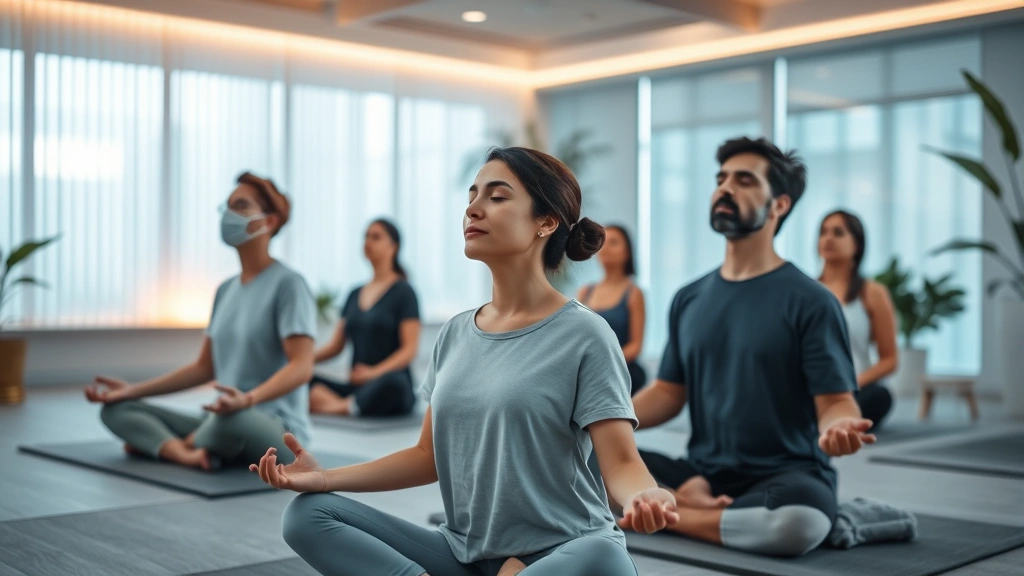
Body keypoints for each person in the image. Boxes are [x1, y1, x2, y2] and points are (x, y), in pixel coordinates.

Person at [250, 147, 678, 576]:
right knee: (307, 514)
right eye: (473, 195)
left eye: (497, 196)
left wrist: (647, 495)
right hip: (465, 555)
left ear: (545, 222)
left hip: (564, 553)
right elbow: (426, 456)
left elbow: (621, 462)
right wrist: (324, 478)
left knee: (603, 557)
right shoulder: (455, 333)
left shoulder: (585, 334)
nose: (473, 208)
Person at [631, 137, 874, 558]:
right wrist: (603, 422)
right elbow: (669, 393)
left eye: (744, 181)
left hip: (786, 475)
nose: (725, 188)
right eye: (721, 179)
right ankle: (691, 498)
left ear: (779, 205)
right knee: (581, 461)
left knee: (797, 523)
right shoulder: (689, 297)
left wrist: (840, 426)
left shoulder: (811, 300)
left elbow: (836, 401)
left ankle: (675, 513)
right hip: (701, 471)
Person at [85, 172, 316, 469]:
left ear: (269, 222)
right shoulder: (225, 290)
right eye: (228, 206)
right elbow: (203, 368)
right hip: (219, 417)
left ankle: (168, 444)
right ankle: (187, 452)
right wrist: (130, 390)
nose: (229, 214)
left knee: (232, 421)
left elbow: (302, 366)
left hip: (271, 425)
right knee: (114, 410)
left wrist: (247, 400)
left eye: (241, 206)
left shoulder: (289, 284)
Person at [308, 219, 421, 418]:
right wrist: (300, 361)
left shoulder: (404, 292)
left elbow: (409, 350)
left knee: (395, 384)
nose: (368, 242)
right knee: (305, 379)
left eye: (376, 237)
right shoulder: (354, 293)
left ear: (393, 247)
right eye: (366, 236)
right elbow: (336, 346)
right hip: (357, 388)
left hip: (387, 384)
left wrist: (373, 373)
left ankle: (336, 407)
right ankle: (349, 406)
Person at [817, 210, 898, 428]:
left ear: (857, 244)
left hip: (857, 388)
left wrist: (849, 384)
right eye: (823, 232)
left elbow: (890, 360)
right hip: (814, 389)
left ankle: (830, 416)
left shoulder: (873, 292)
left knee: (879, 397)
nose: (828, 239)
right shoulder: (806, 292)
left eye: (838, 232)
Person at [577, 224, 647, 396]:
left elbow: (635, 346)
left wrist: (604, 363)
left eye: (614, 242)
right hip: (587, 374)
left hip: (620, 373)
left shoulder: (633, 293)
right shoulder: (585, 291)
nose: (606, 248)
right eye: (603, 242)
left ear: (627, 252)